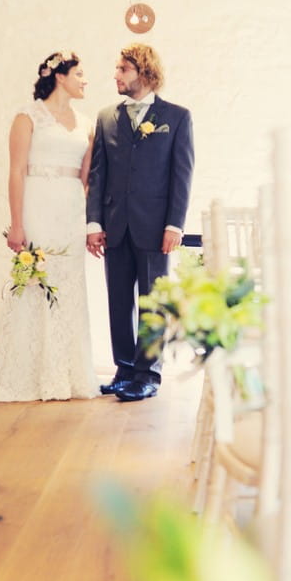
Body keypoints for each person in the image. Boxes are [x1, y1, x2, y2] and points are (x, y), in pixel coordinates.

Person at [0, 50, 99, 401]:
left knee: (68, 287)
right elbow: (16, 171)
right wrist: (17, 225)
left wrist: (85, 221)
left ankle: (67, 372)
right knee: (34, 283)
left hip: (70, 212)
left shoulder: (87, 123)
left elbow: (87, 178)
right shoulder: (27, 117)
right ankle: (26, 370)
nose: (85, 80)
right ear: (60, 75)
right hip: (37, 206)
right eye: (80, 73)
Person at [86, 43, 195, 402]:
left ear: (145, 73)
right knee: (118, 301)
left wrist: (174, 226)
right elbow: (98, 175)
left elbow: (182, 174)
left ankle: (148, 374)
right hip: (115, 226)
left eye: (122, 69)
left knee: (152, 304)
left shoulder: (177, 117)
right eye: (117, 69)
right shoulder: (105, 118)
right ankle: (124, 369)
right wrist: (94, 223)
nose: (115, 75)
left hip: (155, 228)